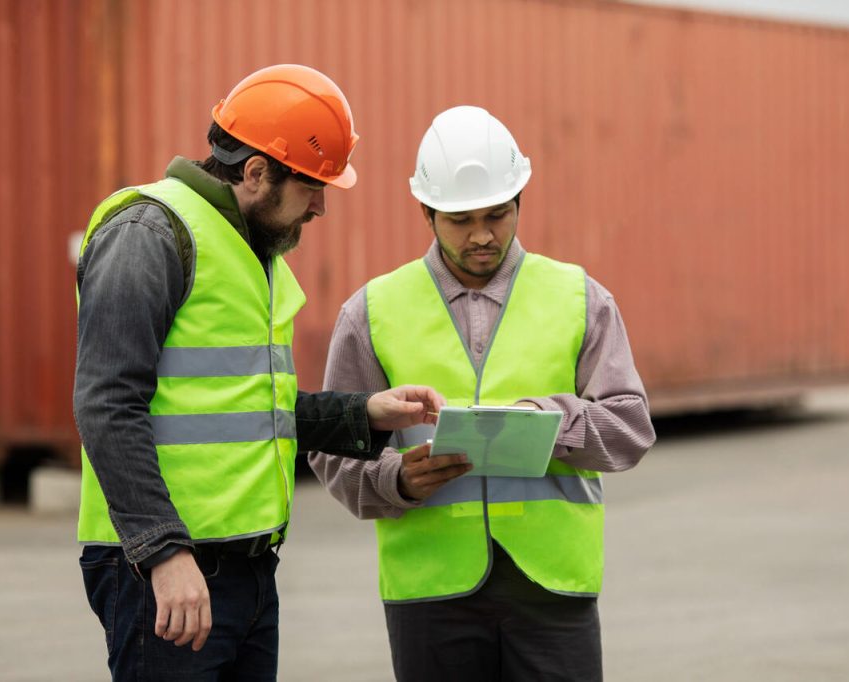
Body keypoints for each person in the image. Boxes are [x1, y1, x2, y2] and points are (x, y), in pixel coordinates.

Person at [73, 64, 444, 681]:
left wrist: (363, 412)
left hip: (247, 572)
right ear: (255, 172)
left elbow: (242, 409)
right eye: (312, 187)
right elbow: (106, 404)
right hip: (167, 574)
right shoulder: (149, 232)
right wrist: (164, 553)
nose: (322, 206)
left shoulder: (247, 249)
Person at [308, 105, 657, 681]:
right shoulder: (371, 312)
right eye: (459, 219)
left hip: (551, 589)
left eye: (498, 215)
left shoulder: (579, 298)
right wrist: (392, 480)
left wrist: (548, 421)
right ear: (426, 212)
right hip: (430, 591)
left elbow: (630, 429)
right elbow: (331, 449)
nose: (481, 236)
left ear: (520, 202)